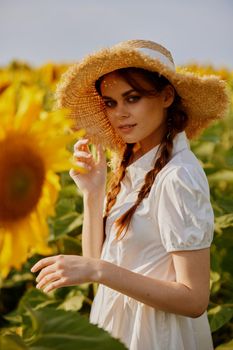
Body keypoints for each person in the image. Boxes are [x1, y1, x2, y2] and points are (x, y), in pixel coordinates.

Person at [31, 40, 229, 350]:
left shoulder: (178, 177)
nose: (120, 114)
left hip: (157, 336)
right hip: (118, 327)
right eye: (110, 103)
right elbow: (95, 261)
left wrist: (100, 270)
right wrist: (93, 192)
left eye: (132, 98)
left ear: (167, 96)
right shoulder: (134, 165)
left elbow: (194, 299)